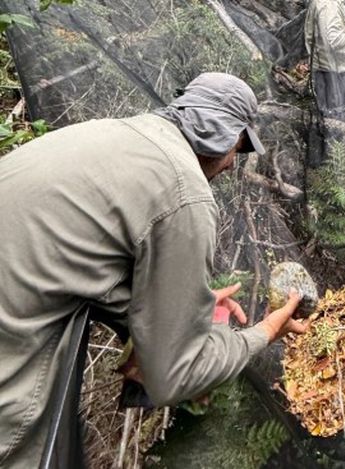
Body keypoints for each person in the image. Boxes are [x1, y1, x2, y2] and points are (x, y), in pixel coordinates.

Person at [0, 72, 309, 468]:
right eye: (240, 147)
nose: (234, 164)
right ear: (224, 136)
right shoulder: (184, 193)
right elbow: (173, 375)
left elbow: (69, 256)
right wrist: (265, 332)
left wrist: (181, 308)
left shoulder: (116, 134)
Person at [304, 0, 345, 123]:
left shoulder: (329, 3)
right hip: (333, 77)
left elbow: (325, 35)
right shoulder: (330, 5)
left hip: (329, 73)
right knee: (336, 120)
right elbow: (333, 41)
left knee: (331, 118)